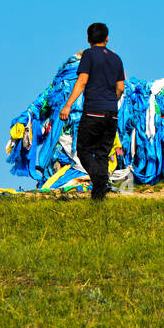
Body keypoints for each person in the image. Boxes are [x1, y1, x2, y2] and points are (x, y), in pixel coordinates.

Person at [59, 23, 125, 201]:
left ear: (88, 39)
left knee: (84, 151)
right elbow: (120, 87)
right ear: (107, 38)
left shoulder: (88, 55)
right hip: (112, 114)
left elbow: (82, 81)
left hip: (93, 112)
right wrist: (111, 101)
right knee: (103, 154)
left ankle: (100, 180)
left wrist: (68, 105)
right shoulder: (116, 59)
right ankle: (98, 200)